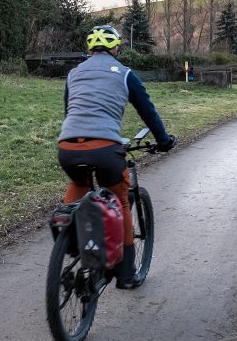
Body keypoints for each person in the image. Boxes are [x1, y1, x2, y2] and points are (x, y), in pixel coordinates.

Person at [58, 24, 176, 289]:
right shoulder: (125, 74)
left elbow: (70, 111)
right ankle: (125, 275)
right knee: (121, 200)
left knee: (78, 184)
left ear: (90, 48)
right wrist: (164, 141)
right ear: (116, 48)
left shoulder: (73, 74)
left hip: (67, 147)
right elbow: (148, 112)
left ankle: (70, 237)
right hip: (105, 150)